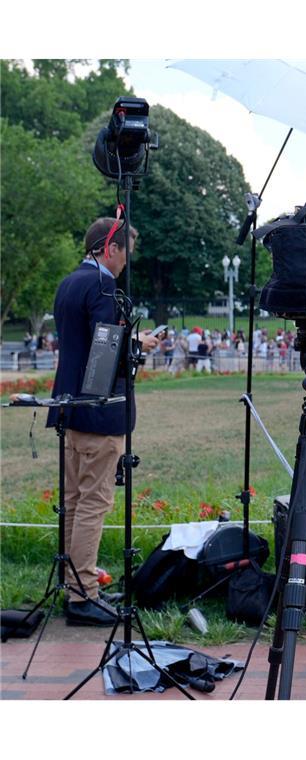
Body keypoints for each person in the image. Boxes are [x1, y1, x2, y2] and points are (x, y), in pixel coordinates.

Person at [47, 217, 160, 626]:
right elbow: (105, 347)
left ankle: (74, 583)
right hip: (99, 411)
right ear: (109, 248)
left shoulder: (69, 282)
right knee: (93, 505)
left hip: (70, 408)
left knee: (75, 504)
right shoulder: (102, 285)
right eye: (126, 251)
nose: (127, 261)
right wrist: (139, 342)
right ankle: (83, 595)